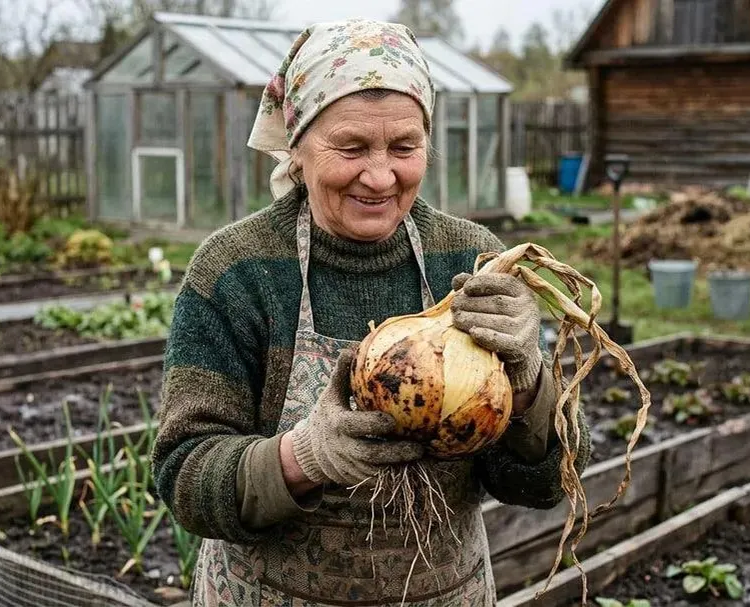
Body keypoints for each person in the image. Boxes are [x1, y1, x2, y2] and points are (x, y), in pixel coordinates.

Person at [150, 18, 591, 606]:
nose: (381, 177)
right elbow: (184, 476)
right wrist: (302, 457)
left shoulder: (472, 259)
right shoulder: (237, 270)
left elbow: (545, 484)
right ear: (297, 146)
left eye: (404, 147)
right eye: (351, 147)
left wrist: (529, 382)